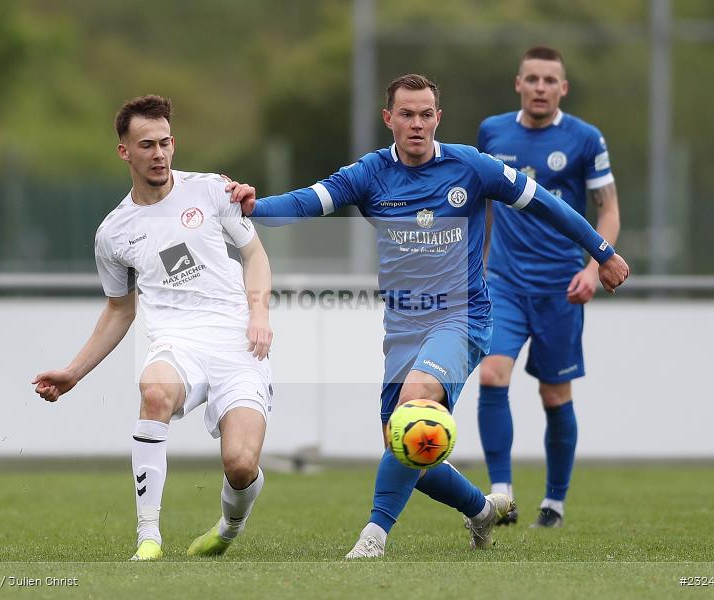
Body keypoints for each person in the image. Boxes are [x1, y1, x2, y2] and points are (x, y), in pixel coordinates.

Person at [226, 74, 628, 558]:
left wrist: (601, 252)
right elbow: (307, 202)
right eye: (406, 114)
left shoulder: (472, 167)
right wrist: (251, 206)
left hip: (464, 317)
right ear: (388, 118)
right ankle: (481, 509)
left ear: (438, 117)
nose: (416, 124)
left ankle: (372, 537)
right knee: (402, 441)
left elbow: (545, 205)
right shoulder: (370, 173)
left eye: (425, 114)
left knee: (415, 402)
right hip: (403, 326)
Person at [32, 95, 274, 561]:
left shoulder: (210, 191)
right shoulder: (114, 233)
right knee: (154, 391)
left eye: (165, 143)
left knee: (241, 465)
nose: (159, 154)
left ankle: (228, 527)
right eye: (147, 145)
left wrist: (259, 312)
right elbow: (120, 311)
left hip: (238, 343)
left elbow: (255, 254)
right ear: (125, 151)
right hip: (176, 342)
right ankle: (149, 537)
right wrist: (73, 372)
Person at [475, 47, 621, 529]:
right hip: (505, 282)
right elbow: (486, 205)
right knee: (493, 375)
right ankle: (501, 495)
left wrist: (592, 266)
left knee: (554, 396)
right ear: (518, 83)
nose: (540, 87)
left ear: (563, 88)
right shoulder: (493, 132)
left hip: (562, 286)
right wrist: (477, 262)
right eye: (532, 79)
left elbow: (608, 209)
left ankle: (554, 504)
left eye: (549, 80)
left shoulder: (584, 138)